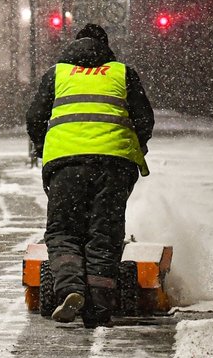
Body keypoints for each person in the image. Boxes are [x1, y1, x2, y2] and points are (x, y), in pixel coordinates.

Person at [26, 23, 154, 328]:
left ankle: (70, 289)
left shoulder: (57, 74)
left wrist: (44, 146)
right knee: (104, 234)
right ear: (106, 48)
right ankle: (98, 306)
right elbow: (144, 119)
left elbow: (35, 118)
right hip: (114, 165)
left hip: (65, 165)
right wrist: (134, 146)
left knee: (63, 231)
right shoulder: (122, 73)